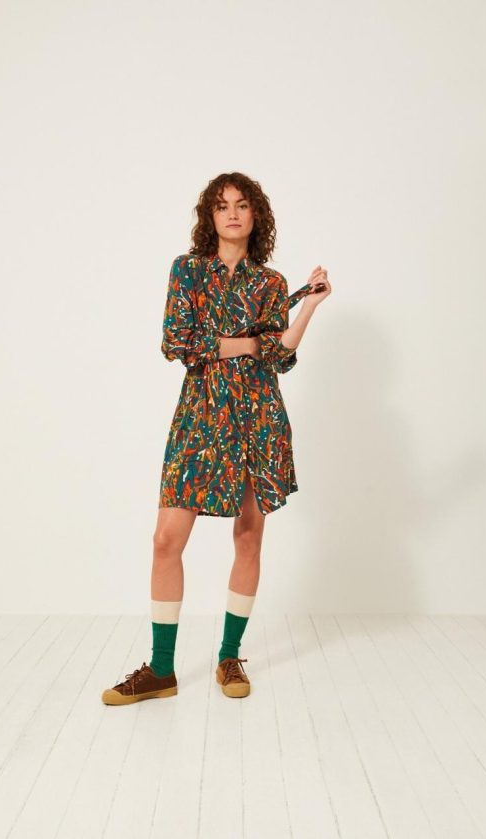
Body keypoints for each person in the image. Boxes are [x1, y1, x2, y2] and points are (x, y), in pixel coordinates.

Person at [101, 172, 331, 706]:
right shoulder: (188, 270)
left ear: (255, 216)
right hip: (201, 419)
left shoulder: (271, 283)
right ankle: (162, 669)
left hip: (256, 417)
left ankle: (229, 656)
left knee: (248, 537)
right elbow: (177, 342)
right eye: (222, 205)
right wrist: (249, 342)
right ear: (210, 216)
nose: (232, 213)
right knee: (166, 540)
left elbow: (279, 355)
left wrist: (308, 306)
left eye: (242, 205)